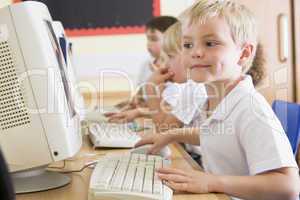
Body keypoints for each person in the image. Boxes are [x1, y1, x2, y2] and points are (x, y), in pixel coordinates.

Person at [135, 1, 300, 199]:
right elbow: (218, 136)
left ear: (243, 54)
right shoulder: (216, 99)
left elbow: (288, 185)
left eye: (210, 43)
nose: (195, 52)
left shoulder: (250, 108)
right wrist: (172, 135)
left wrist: (211, 181)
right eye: (187, 45)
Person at [112, 16, 178, 112]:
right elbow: (139, 91)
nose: (148, 44)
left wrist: (142, 109)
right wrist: (135, 100)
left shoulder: (175, 69)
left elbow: (170, 105)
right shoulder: (146, 65)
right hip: (146, 111)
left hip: (159, 112)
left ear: (171, 40)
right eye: (148, 39)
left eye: (154, 39)